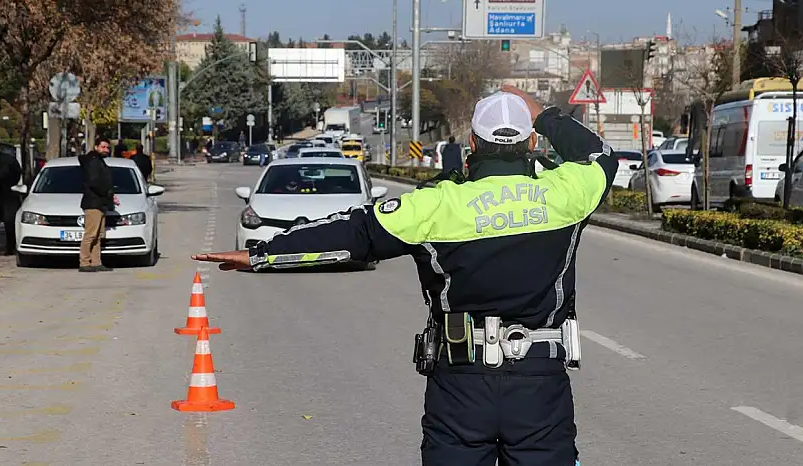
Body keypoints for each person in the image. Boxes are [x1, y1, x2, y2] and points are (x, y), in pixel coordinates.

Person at [192, 85, 618, 466]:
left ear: (471, 143)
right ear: (532, 142)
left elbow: (354, 233)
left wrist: (262, 254)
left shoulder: (434, 204)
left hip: (460, 384)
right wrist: (544, 114)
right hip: (540, 384)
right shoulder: (566, 193)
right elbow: (600, 155)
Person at [78, 137, 119, 272]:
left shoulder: (99, 161)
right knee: (90, 235)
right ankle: (84, 262)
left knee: (97, 235)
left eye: (107, 147)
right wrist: (107, 194)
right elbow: (95, 182)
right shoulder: (93, 161)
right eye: (103, 147)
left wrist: (110, 196)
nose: (105, 150)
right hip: (93, 202)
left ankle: (96, 262)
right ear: (96, 147)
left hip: (100, 203)